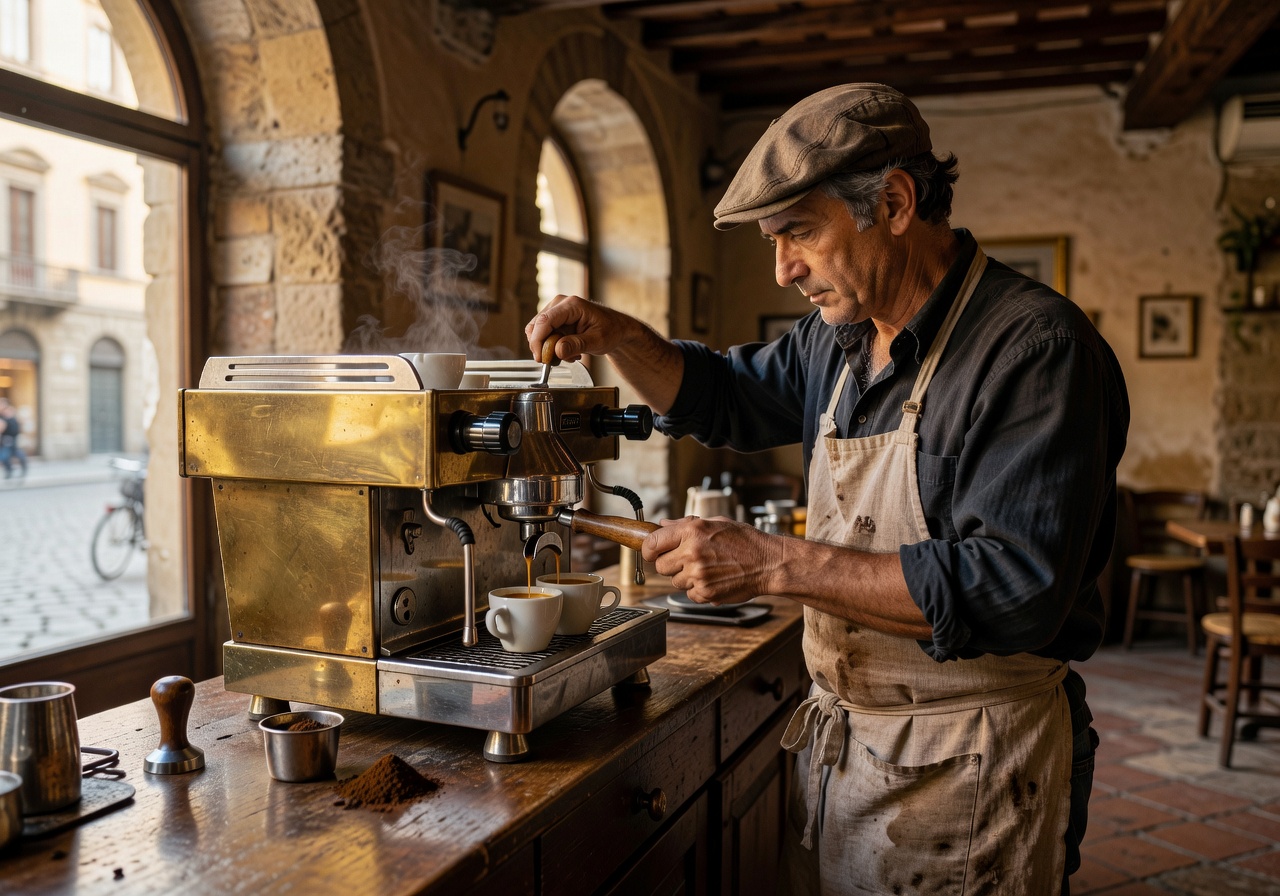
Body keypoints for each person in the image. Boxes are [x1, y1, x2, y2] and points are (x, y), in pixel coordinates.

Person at [527, 83, 1129, 894]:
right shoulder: (834, 339)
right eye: (774, 241)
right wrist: (615, 334)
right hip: (849, 750)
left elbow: (1014, 590)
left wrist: (775, 564)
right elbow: (723, 395)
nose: (784, 271)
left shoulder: (1035, 351)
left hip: (977, 763)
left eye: (799, 232)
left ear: (894, 200)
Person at [0, 399, 28, 479]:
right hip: (6, 439)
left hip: (11, 438)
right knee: (8, 454)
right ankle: (10, 470)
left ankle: (13, 469)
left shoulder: (10, 417)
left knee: (7, 454)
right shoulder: (3, 416)